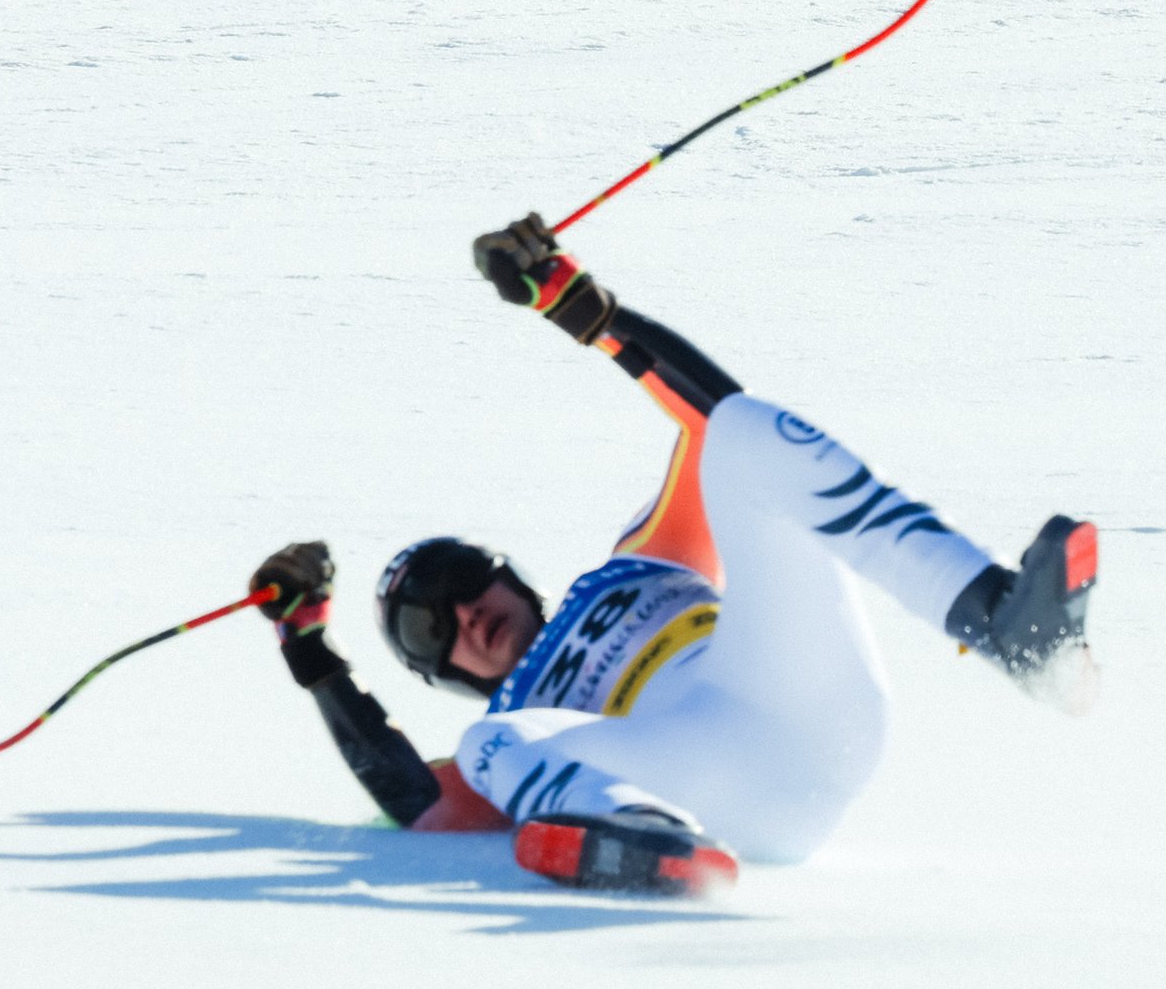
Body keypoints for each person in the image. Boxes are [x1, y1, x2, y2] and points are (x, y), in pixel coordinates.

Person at [250, 213, 1098, 895]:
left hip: (801, 703)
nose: (463, 613)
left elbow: (710, 421)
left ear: (507, 573)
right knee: (489, 742)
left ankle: (1008, 627)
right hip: (694, 777)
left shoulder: (641, 556)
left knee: (747, 430)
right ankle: (635, 835)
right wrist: (306, 646)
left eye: (464, 582)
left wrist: (580, 307)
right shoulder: (517, 725)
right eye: (430, 628)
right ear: (438, 669)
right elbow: (417, 802)